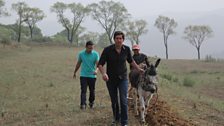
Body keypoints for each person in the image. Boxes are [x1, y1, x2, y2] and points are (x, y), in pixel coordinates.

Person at [98, 31, 143, 126]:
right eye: (117, 38)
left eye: (120, 38)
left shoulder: (126, 49)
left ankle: (124, 122)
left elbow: (131, 61)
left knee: (123, 100)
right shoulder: (107, 50)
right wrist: (103, 73)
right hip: (110, 79)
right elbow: (100, 64)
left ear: (123, 39)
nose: (119, 40)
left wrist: (138, 69)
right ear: (114, 39)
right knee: (114, 101)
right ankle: (116, 118)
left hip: (123, 78)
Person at [73, 41, 99, 110]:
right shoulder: (81, 54)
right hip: (83, 75)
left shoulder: (95, 54)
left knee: (92, 90)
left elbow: (98, 65)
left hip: (92, 76)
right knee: (83, 90)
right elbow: (78, 63)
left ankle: (91, 103)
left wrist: (96, 70)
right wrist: (75, 72)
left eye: (92, 48)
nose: (91, 50)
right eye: (89, 48)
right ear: (86, 47)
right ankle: (83, 104)